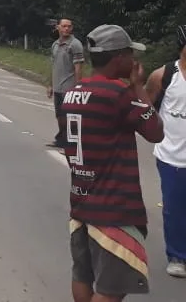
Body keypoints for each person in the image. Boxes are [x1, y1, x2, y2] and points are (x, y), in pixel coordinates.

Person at [61, 24, 163, 301]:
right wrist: (139, 87)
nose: (134, 62)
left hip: (81, 204)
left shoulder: (73, 92)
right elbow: (155, 131)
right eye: (131, 54)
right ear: (119, 58)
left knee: (83, 274)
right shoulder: (118, 96)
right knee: (111, 289)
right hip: (113, 210)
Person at [145, 25, 186, 279]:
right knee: (175, 207)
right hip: (172, 156)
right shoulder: (164, 75)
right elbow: (146, 107)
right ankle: (177, 255)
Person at [47, 18, 84, 150]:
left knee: (69, 116)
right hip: (57, 86)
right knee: (59, 115)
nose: (66, 29)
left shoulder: (75, 44)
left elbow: (78, 67)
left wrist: (78, 87)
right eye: (64, 26)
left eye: (69, 26)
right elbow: (53, 65)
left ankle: (71, 144)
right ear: (58, 28)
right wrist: (50, 84)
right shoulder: (55, 45)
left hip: (69, 87)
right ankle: (61, 139)